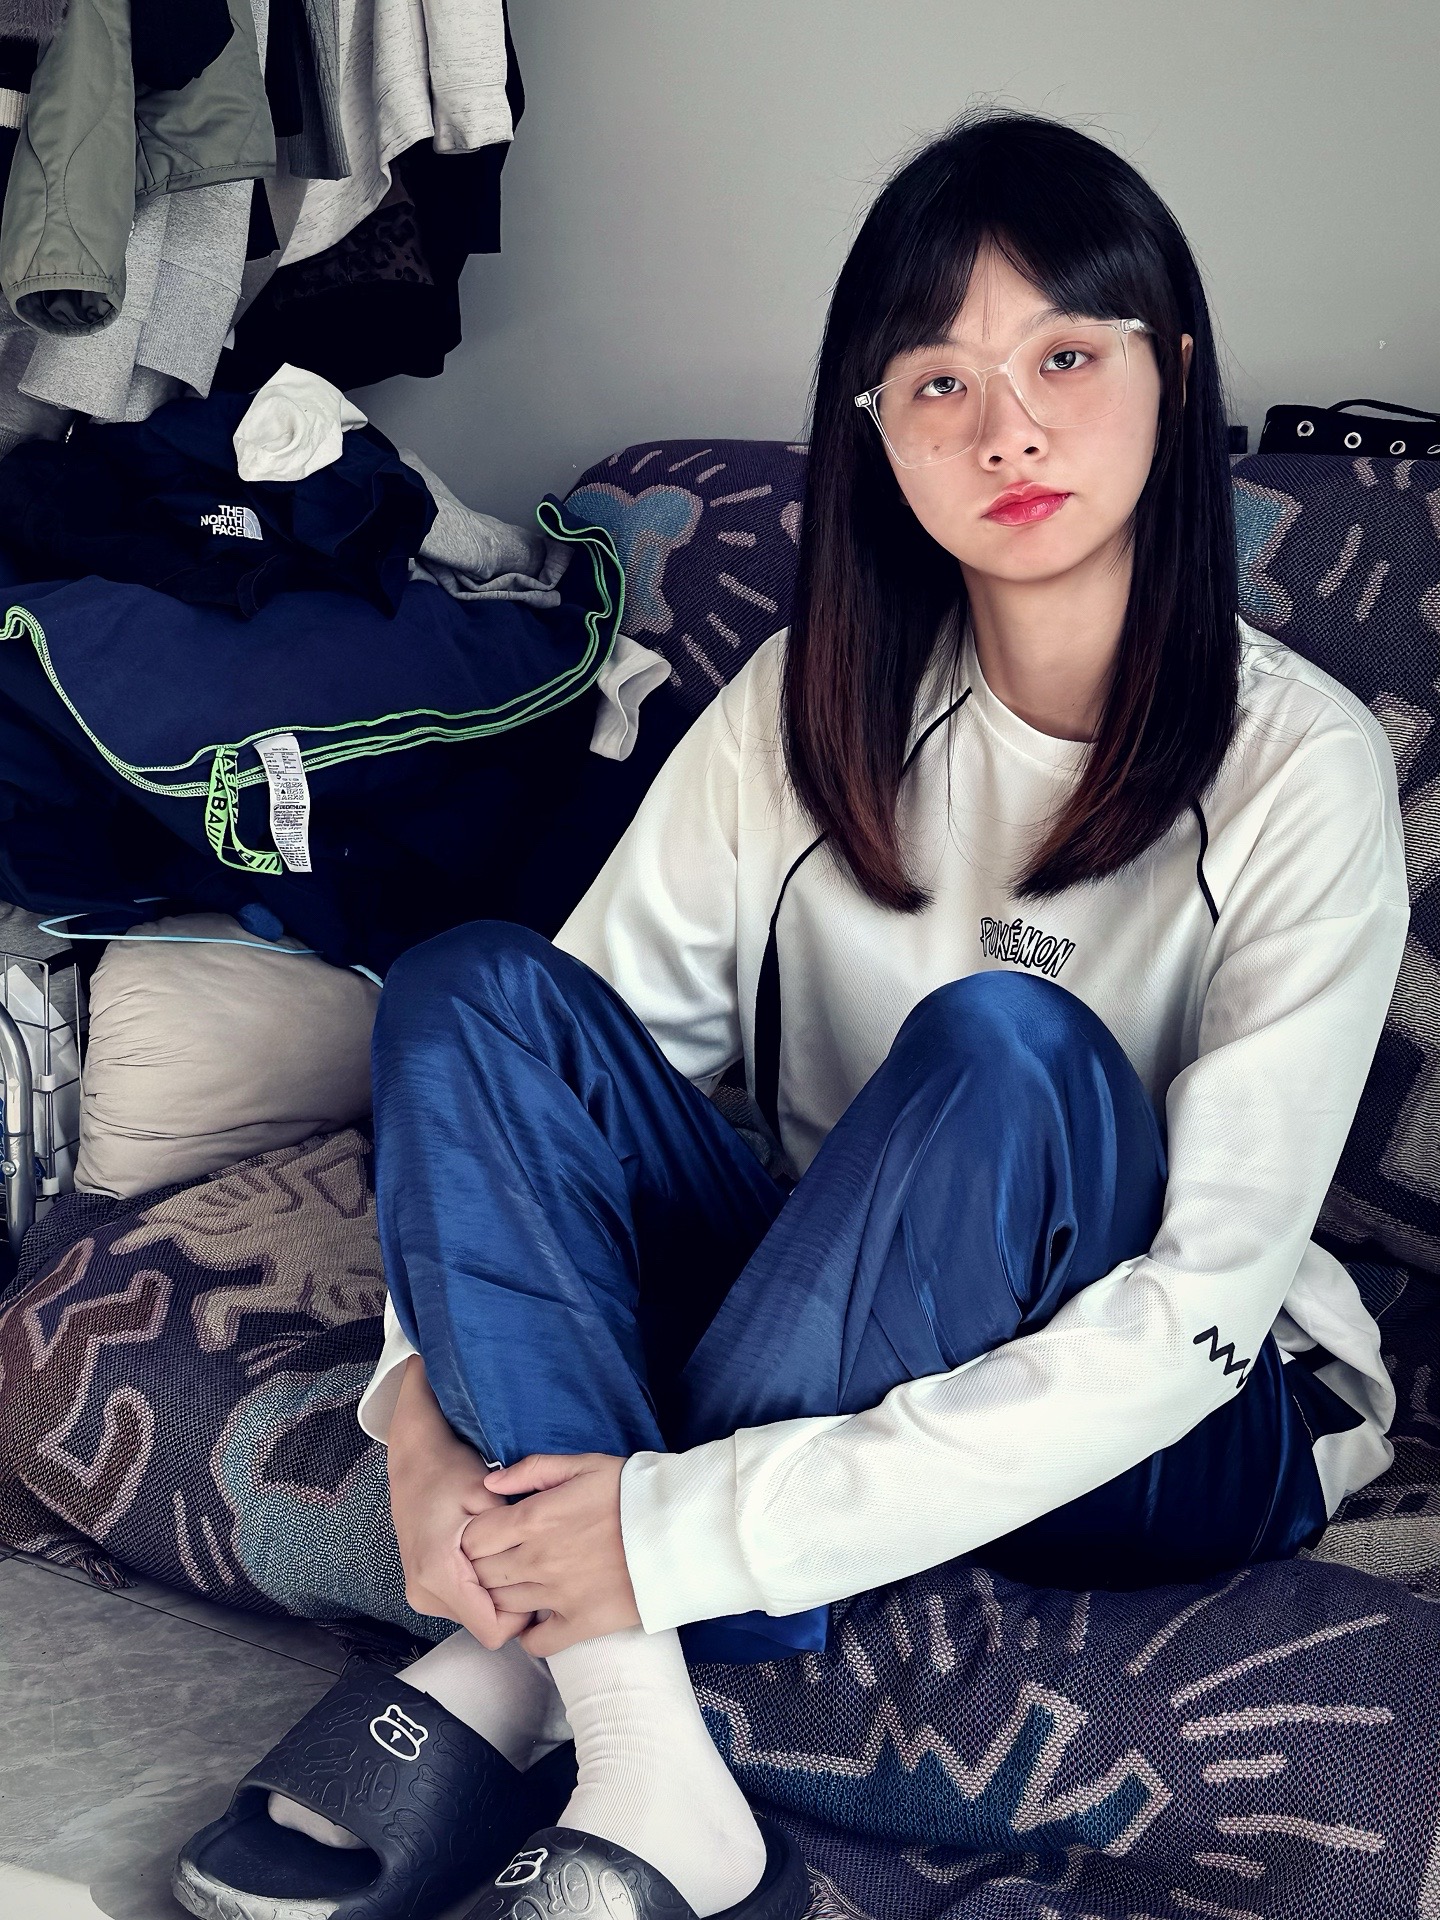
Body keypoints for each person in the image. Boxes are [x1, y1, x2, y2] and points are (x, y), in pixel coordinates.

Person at [176, 111, 1408, 1920]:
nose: (1007, 431)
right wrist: (418, 1416)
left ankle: (538, 1664)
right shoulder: (804, 698)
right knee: (473, 991)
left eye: (1067, 358)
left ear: (1176, 368)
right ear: (874, 429)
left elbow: (1194, 1316)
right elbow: (555, 1088)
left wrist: (674, 1525)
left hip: (1183, 1416)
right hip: (832, 1290)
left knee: (1008, 1045)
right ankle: (648, 1755)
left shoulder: (1302, 766)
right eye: (938, 381)